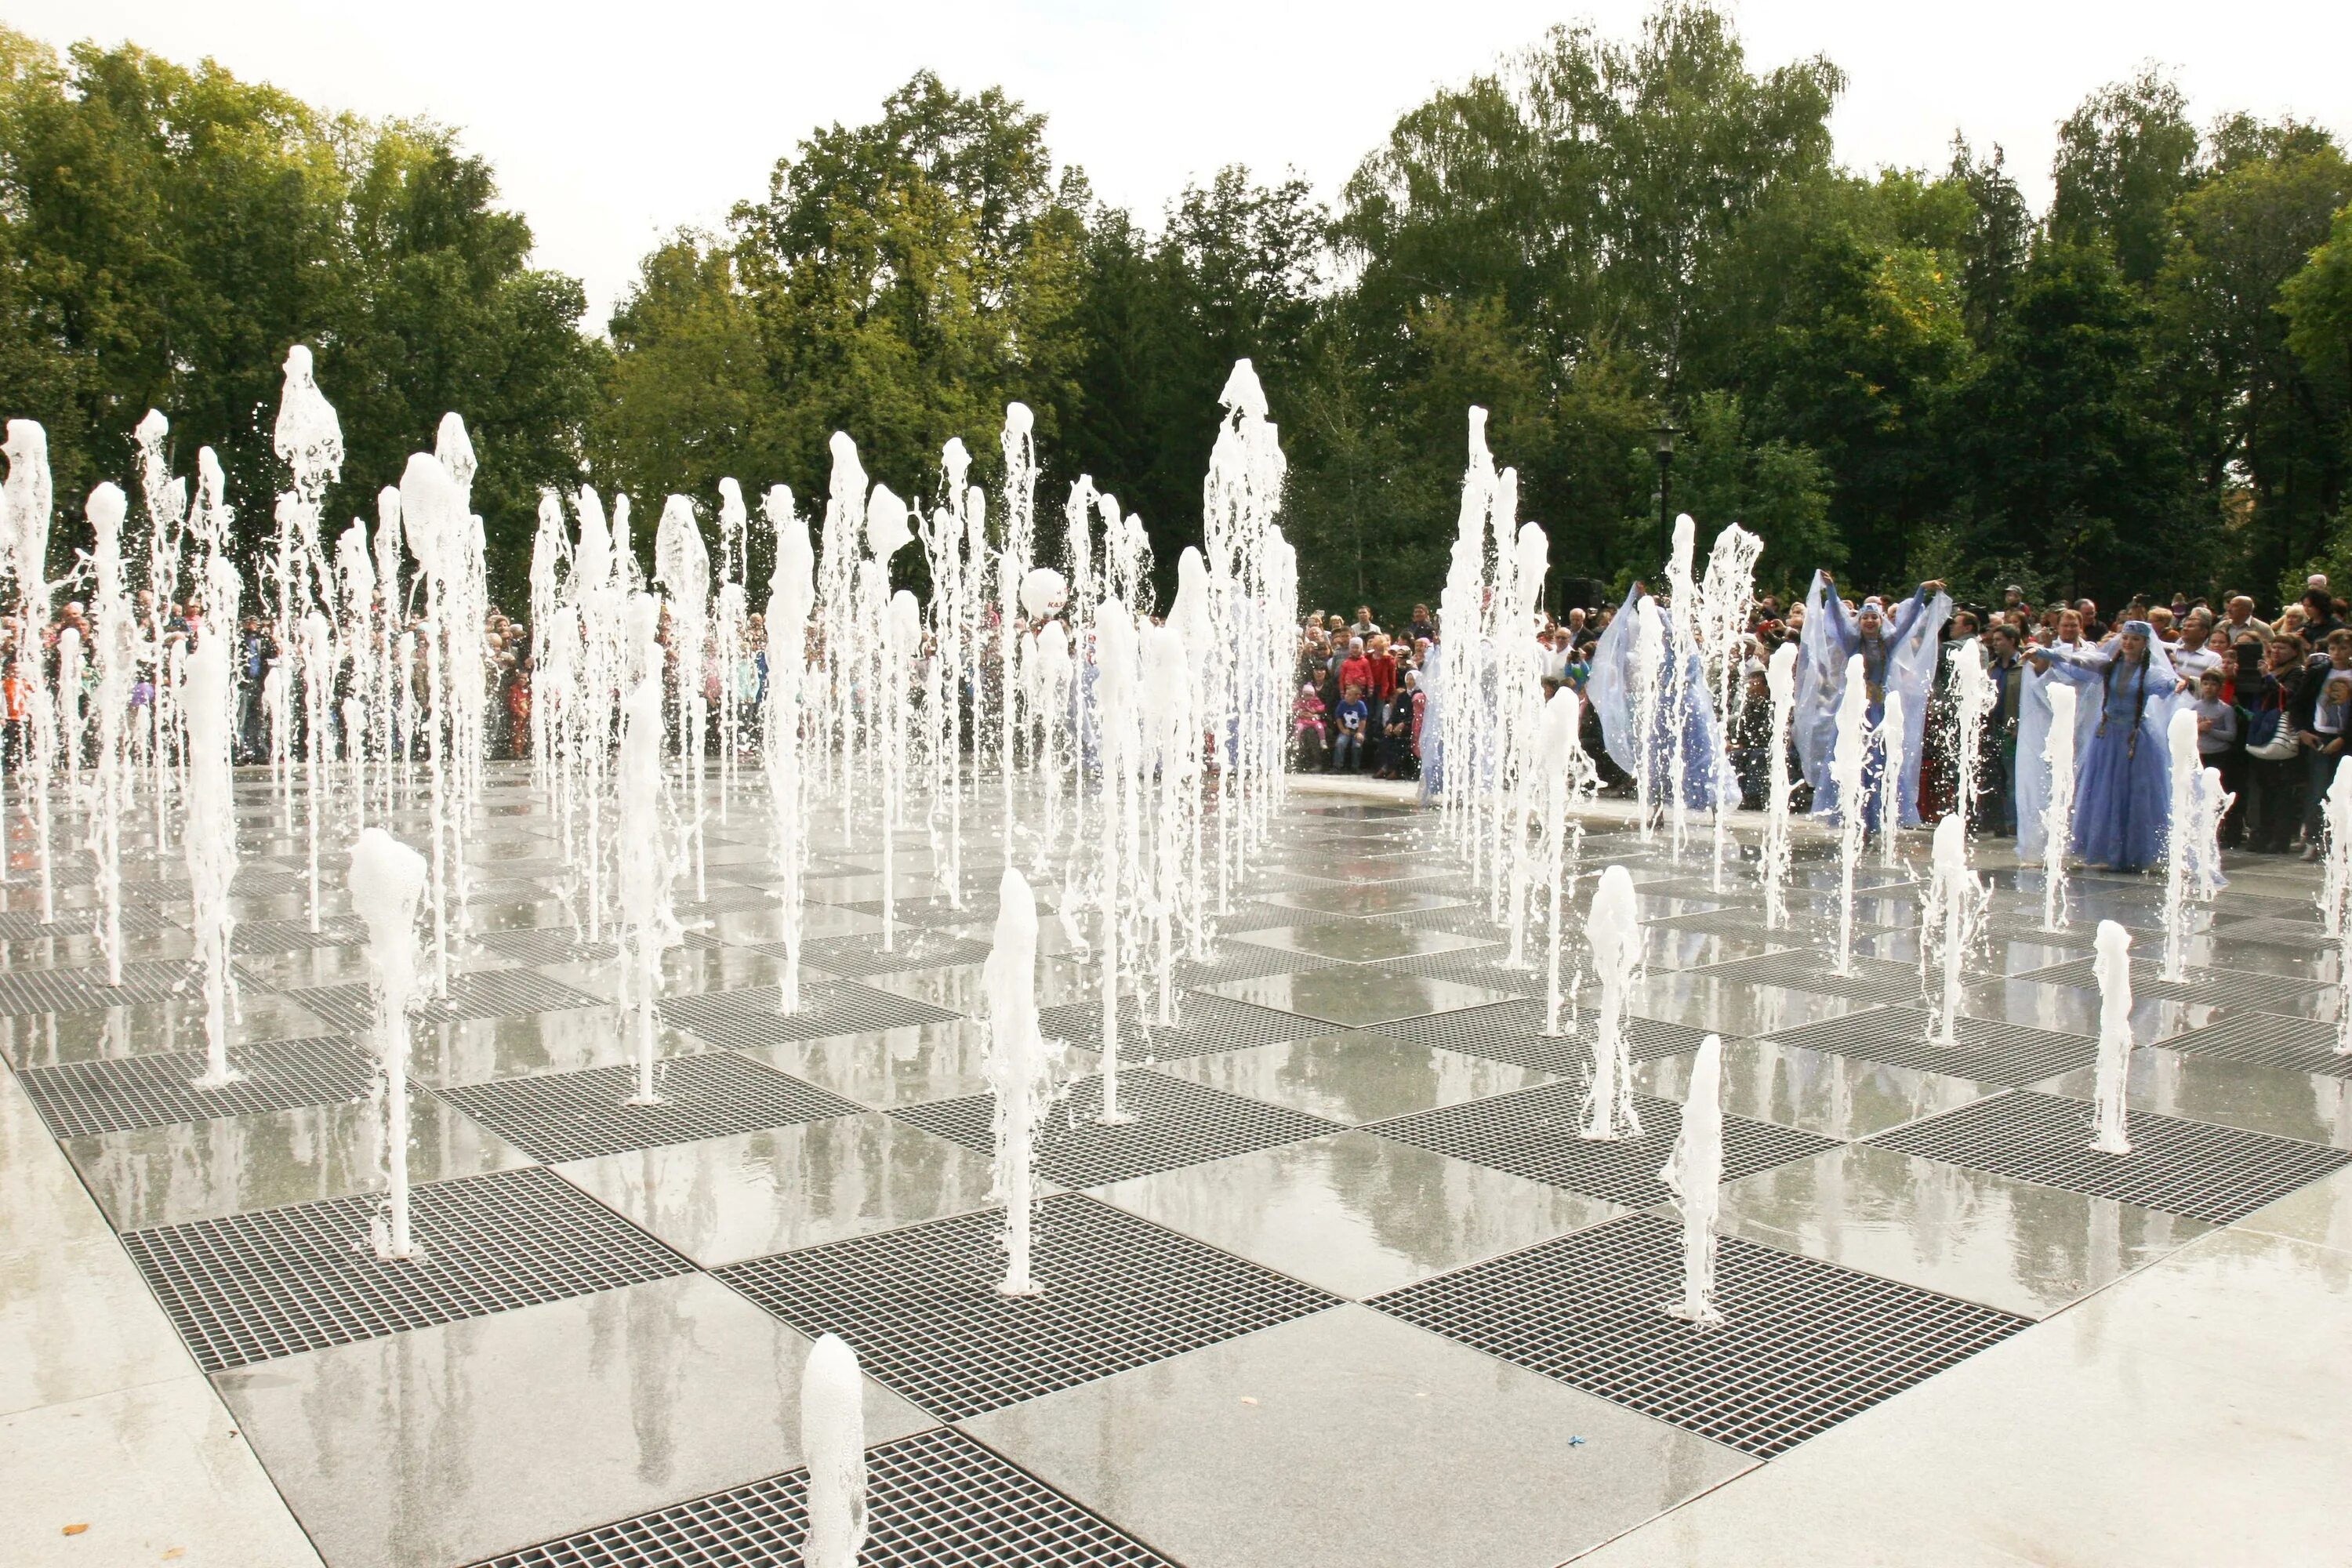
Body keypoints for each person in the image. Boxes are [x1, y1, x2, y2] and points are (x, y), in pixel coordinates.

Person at [1794, 571, 1952, 829]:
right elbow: (1836, 614)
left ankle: (1876, 817)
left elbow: (1909, 622)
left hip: (1878, 709)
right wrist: (1832, 589)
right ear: (1860, 621)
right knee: (1850, 759)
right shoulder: (1852, 642)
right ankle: (1850, 814)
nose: (1869, 621)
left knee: (1878, 762)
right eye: (1865, 617)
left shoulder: (1889, 643)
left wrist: (1922, 590)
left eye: (1874, 617)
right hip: (1854, 710)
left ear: (1880, 621)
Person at [2037, 620, 2187, 870]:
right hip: (2107, 736)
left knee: (2133, 794)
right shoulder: (2110, 665)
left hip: (2134, 738)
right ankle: (2104, 850)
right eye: (2126, 638)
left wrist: (2178, 684)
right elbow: (2083, 662)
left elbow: (2166, 684)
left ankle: (2133, 852)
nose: (2128, 643)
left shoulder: (2148, 671)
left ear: (2145, 644)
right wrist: (2045, 652)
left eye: (2135, 639)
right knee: (2104, 792)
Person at [1330, 682, 1369, 773]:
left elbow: (1363, 720)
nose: (1346, 696)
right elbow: (1338, 717)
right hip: (1346, 730)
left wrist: (1359, 732)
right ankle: (1337, 766)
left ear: (1357, 697)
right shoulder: (1342, 704)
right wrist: (1342, 729)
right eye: (1346, 694)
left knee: (1357, 745)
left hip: (1358, 730)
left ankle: (1355, 767)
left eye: (1349, 695)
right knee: (1340, 743)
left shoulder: (1361, 705)